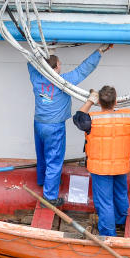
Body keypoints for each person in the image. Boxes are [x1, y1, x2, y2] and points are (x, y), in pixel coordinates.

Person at [28, 44, 112, 206]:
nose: (61, 65)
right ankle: (50, 197)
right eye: (59, 63)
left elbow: (30, 63)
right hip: (54, 127)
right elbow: (83, 70)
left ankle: (42, 180)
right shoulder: (63, 82)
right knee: (54, 159)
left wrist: (44, 53)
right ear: (56, 67)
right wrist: (99, 51)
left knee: (42, 155)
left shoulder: (36, 78)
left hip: (39, 124)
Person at [73, 85, 130, 236]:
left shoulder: (91, 120)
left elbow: (77, 118)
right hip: (121, 166)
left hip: (100, 169)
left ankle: (109, 235)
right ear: (116, 101)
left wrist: (90, 101)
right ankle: (120, 221)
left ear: (99, 102)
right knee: (120, 194)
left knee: (105, 203)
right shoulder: (127, 118)